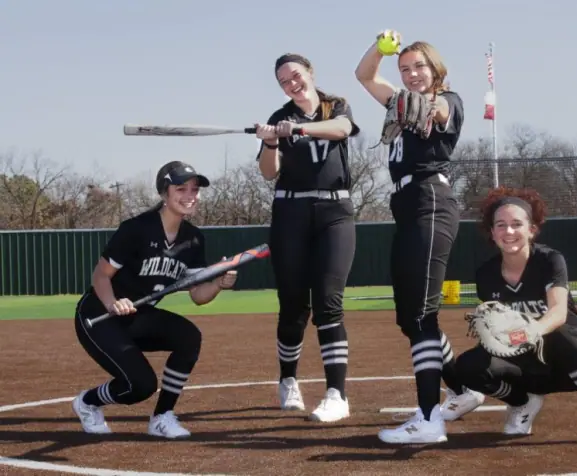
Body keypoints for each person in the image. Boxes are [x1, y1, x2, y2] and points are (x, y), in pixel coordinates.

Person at [355, 30, 484, 444]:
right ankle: (462, 392)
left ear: (435, 69)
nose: (412, 74)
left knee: (422, 316)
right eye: (405, 68)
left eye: (419, 67)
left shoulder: (449, 99)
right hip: (407, 208)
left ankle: (429, 419)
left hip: (431, 201)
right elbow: (364, 75)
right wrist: (380, 48)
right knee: (408, 318)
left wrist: (426, 103)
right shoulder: (398, 101)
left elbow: (442, 111)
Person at [72, 161, 238, 439]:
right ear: (164, 193)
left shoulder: (193, 239)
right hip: (99, 315)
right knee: (140, 386)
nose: (190, 195)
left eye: (194, 190)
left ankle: (162, 417)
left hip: (138, 315)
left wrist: (218, 283)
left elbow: (198, 296)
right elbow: (100, 275)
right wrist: (113, 303)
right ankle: (88, 402)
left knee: (189, 337)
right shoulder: (136, 229)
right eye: (181, 189)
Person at [453, 186, 577, 445]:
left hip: (571, 362)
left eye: (516, 224)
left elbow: (557, 312)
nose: (508, 231)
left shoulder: (549, 260)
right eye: (501, 225)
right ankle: (522, 403)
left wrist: (529, 331)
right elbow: (498, 331)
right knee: (468, 366)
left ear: (531, 230)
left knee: (559, 331)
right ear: (492, 232)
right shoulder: (485, 275)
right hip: (526, 367)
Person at [254, 53, 360, 423]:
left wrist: (298, 130)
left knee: (329, 301)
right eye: (284, 81)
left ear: (310, 73)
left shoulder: (336, 105)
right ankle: (288, 380)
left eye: (296, 75)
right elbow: (269, 173)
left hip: (335, 211)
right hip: (291, 212)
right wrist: (271, 141)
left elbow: (342, 129)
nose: (292, 84)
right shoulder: (279, 116)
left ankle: (336, 394)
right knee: (294, 305)